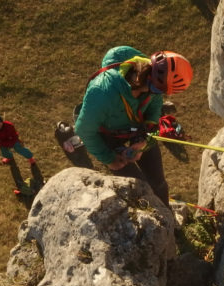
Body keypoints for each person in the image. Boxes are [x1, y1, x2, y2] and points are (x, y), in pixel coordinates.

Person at [74, 45, 192, 205]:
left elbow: (155, 107)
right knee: (139, 191)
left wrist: (144, 138)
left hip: (138, 129)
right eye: (161, 91)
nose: (161, 96)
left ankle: (168, 217)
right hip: (109, 135)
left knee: (159, 183)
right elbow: (83, 129)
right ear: (154, 83)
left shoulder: (150, 79)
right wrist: (109, 159)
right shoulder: (102, 91)